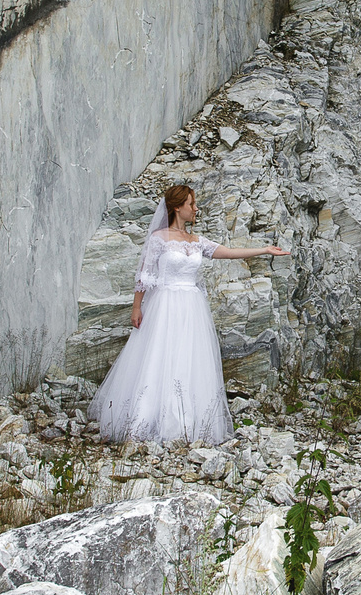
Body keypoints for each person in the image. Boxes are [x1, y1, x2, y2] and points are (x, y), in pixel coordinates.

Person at [91, 183, 288, 445]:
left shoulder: (197, 242)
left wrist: (263, 249)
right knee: (159, 357)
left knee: (187, 358)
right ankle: (145, 421)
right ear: (176, 207)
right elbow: (144, 275)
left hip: (191, 307)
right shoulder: (159, 239)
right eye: (191, 204)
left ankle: (185, 423)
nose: (196, 209)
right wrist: (137, 307)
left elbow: (227, 253)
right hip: (165, 305)